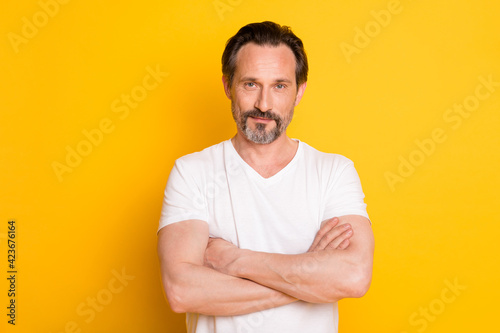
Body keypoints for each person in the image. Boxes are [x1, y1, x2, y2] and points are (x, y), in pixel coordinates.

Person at [157, 21, 374, 333]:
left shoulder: (333, 172)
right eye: (250, 84)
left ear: (299, 93)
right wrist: (307, 280)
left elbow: (353, 277)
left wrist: (233, 260)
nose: (264, 104)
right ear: (227, 85)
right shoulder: (192, 172)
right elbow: (182, 291)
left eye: (279, 86)